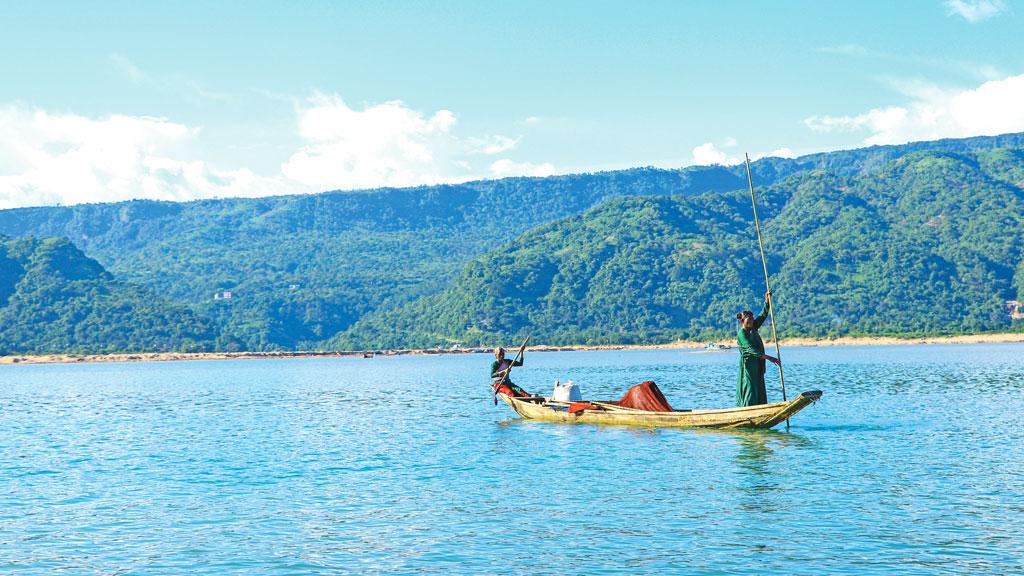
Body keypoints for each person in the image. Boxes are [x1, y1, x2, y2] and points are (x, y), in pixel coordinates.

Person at [736, 291, 781, 407]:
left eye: (752, 319)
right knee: (750, 388)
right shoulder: (742, 334)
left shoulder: (753, 327)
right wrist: (770, 358)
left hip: (758, 364)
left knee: (759, 387)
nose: (751, 321)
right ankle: (747, 410)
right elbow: (751, 350)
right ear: (742, 321)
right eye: (748, 320)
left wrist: (767, 301)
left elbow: (763, 315)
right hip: (748, 366)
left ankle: (760, 407)